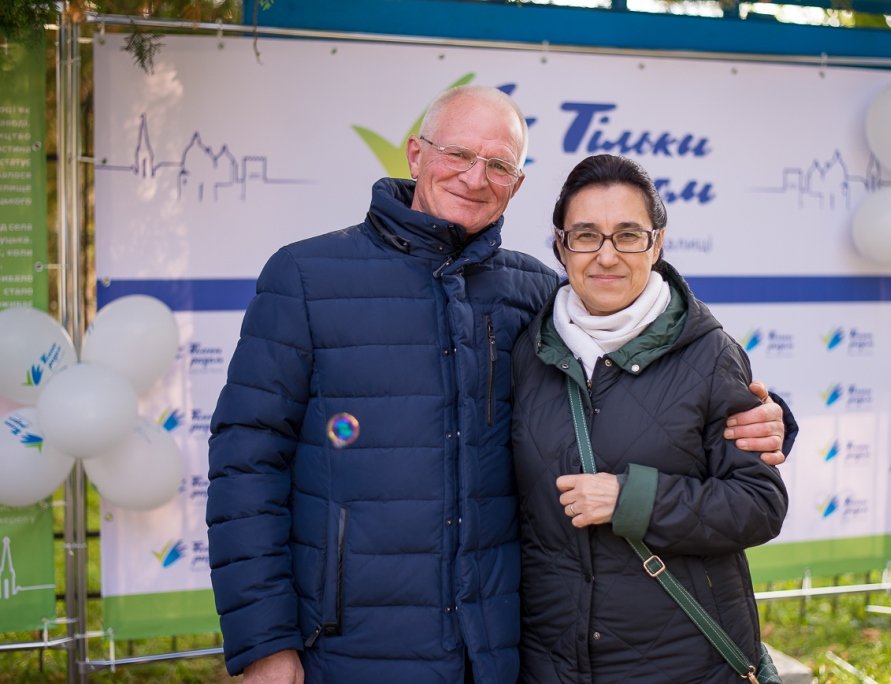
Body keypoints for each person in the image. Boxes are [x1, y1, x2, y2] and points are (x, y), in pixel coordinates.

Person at [206, 86, 792, 684]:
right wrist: (265, 644)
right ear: (415, 154)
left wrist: (769, 418)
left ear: (517, 183)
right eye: (458, 154)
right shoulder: (306, 277)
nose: (475, 177)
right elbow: (246, 461)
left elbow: (634, 374)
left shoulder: (533, 294)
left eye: (498, 164)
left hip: (496, 649)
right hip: (353, 646)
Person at [511, 154, 792, 682]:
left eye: (628, 235)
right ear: (561, 246)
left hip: (683, 664)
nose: (607, 256)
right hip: (554, 663)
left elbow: (759, 505)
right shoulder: (529, 351)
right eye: (586, 236)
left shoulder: (709, 354)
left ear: (657, 243)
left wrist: (631, 499)